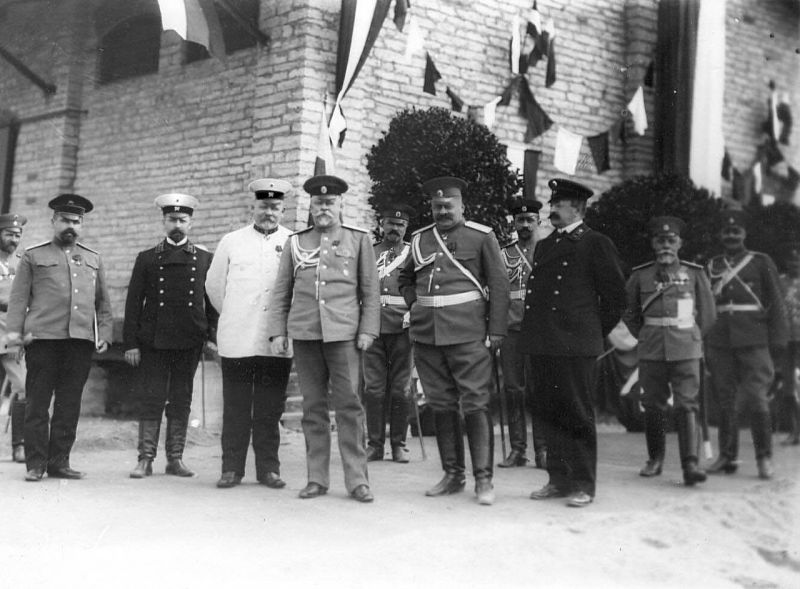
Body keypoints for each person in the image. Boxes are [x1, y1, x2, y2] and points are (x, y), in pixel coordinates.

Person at [267, 174, 379, 503]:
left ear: (341, 204)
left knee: (349, 406)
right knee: (312, 408)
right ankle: (317, 478)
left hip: (344, 335)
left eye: (330, 202)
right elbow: (281, 292)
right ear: (311, 206)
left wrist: (368, 331)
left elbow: (370, 293)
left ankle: (357, 480)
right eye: (318, 202)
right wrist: (278, 331)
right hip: (305, 334)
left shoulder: (358, 240)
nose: (324, 207)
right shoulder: (296, 243)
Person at [398, 176, 508, 506]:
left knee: (474, 403)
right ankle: (452, 474)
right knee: (441, 404)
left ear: (462, 206)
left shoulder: (481, 236)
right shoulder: (419, 239)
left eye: (449, 205)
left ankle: (484, 480)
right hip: (428, 334)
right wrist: (414, 303)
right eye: (437, 206)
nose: (442, 210)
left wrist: (497, 331)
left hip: (469, 334)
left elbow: (499, 285)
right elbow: (406, 278)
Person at [520, 178, 626, 508]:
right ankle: (558, 478)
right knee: (550, 412)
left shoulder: (595, 243)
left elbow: (615, 297)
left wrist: (590, 330)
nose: (551, 209)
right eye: (552, 204)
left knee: (577, 414)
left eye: (558, 204)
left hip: (575, 344)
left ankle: (583, 483)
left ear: (577, 208)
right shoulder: (547, 244)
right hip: (545, 342)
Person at [7, 194, 113, 481]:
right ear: (54, 221)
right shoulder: (34, 255)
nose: (71, 226)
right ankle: (36, 464)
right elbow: (18, 299)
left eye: (76, 221)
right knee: (38, 403)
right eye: (65, 220)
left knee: (69, 404)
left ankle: (59, 461)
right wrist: (14, 335)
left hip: (79, 342)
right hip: (42, 340)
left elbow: (103, 302)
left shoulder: (93, 258)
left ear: (83, 225)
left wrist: (104, 333)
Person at [205, 179, 294, 489]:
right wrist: (234, 313)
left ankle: (268, 469)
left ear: (283, 209)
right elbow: (214, 287)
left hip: (276, 340)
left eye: (274, 207)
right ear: (253, 207)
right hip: (238, 335)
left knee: (270, 408)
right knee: (236, 407)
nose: (268, 212)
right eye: (263, 206)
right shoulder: (232, 241)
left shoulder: (293, 241)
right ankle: (231, 469)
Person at [123, 193, 216, 479]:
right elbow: (133, 303)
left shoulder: (204, 259)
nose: (177, 224)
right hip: (154, 340)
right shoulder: (147, 258)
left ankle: (175, 458)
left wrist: (212, 335)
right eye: (172, 219)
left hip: (189, 339)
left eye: (182, 219)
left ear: (191, 222)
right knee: (152, 397)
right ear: (164, 221)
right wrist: (131, 343)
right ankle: (145, 459)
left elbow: (211, 300)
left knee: (181, 398)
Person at [623, 216, 716, 486]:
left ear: (680, 243)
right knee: (653, 404)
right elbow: (629, 312)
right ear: (653, 243)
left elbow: (708, 314)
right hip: (651, 348)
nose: (666, 245)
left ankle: (690, 464)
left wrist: (693, 338)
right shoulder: (640, 275)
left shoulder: (695, 273)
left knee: (688, 404)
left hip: (686, 348)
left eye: (671, 240)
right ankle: (655, 460)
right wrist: (643, 336)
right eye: (660, 240)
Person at [705, 209, 788, 479]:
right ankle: (727, 457)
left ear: (744, 233)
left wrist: (778, 344)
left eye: (736, 231)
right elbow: (706, 306)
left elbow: (776, 304)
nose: (731, 235)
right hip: (720, 340)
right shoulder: (712, 265)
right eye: (726, 231)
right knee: (725, 399)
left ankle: (764, 457)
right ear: (720, 234)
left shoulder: (761, 262)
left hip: (754, 339)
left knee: (755, 397)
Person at [498, 198, 547, 469]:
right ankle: (518, 449)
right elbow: (496, 292)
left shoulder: (549, 251)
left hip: (540, 331)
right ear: (514, 223)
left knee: (540, 391)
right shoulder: (504, 254)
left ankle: (543, 449)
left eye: (530, 220)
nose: (525, 225)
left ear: (539, 222)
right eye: (520, 220)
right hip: (512, 330)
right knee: (513, 389)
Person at [364, 204, 414, 463]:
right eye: (390, 224)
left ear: (406, 228)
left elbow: (419, 288)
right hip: (373, 327)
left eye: (400, 225)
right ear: (381, 224)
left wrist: (414, 312)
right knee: (373, 388)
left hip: (403, 327)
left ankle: (399, 444)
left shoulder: (412, 254)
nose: (395, 229)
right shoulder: (370, 252)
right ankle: (374, 444)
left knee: (400, 389)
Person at [0, 213, 28, 463]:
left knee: (22, 387)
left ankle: (18, 445)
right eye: (9, 234)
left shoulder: (21, 263)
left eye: (17, 235)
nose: (14, 239)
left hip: (10, 330)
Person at [778, 243, 800, 446]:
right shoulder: (780, 282)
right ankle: (795, 431)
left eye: (798, 260)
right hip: (786, 340)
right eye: (792, 261)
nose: (795, 264)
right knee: (789, 388)